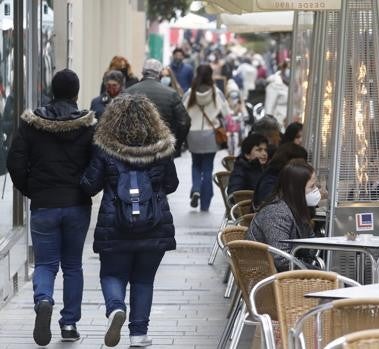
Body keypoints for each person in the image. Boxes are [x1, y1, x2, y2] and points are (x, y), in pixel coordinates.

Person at [80, 94, 179, 347]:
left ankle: (115, 309)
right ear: (153, 120)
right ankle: (138, 335)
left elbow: (89, 185)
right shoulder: (162, 148)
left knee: (111, 274)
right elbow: (172, 184)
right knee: (143, 280)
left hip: (115, 226)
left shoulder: (105, 149)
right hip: (154, 225)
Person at [7, 69, 96, 345]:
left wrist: (32, 190)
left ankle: (44, 299)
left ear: (51, 91)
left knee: (45, 263)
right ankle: (69, 325)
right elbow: (99, 164)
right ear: (76, 93)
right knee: (72, 266)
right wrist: (87, 188)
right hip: (76, 204)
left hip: (44, 204)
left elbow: (15, 162)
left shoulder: (31, 124)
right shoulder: (87, 125)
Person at [247, 159, 319, 271]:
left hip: (287, 274)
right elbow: (281, 260)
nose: (316, 190)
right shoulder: (276, 213)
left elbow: (311, 245)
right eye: (312, 186)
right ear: (297, 189)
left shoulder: (297, 208)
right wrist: (316, 273)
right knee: (338, 282)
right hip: (269, 277)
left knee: (338, 281)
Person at [183, 64, 230, 211]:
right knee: (208, 168)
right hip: (211, 134)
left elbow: (182, 111)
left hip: (193, 134)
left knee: (195, 164)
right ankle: (205, 204)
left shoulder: (190, 93)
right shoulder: (216, 92)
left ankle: (196, 188)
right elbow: (227, 112)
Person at [125, 59, 190, 158]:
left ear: (143, 72)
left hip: (135, 150)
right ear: (160, 74)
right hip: (162, 150)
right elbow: (184, 122)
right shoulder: (171, 94)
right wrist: (176, 145)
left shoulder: (128, 92)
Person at [253, 142, 308, 209]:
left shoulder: (284, 177)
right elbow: (272, 208)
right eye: (301, 164)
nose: (304, 168)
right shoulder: (270, 180)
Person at [264, 61, 289, 128]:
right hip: (279, 123)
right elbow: (269, 109)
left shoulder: (294, 84)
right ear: (283, 69)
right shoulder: (274, 85)